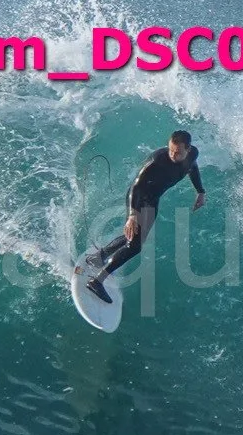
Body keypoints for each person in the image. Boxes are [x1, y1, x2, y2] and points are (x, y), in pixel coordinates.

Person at [83, 130, 205, 304]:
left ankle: (98, 257)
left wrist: (200, 191)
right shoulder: (157, 161)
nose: (172, 154)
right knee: (135, 246)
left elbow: (192, 167)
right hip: (138, 199)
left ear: (188, 149)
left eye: (177, 152)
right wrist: (132, 215)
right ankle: (97, 281)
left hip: (153, 200)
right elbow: (136, 187)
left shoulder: (193, 155)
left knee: (134, 237)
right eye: (170, 149)